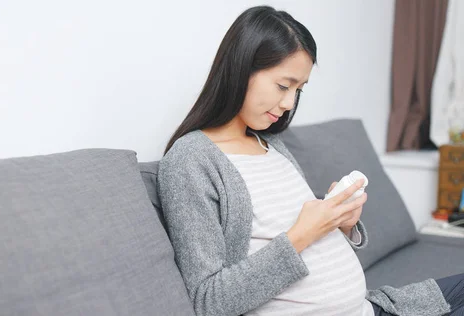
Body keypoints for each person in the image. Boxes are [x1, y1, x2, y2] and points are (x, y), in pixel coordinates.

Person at [157, 5, 464, 316]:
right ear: (241, 68)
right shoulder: (191, 161)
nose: (290, 103)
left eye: (298, 89)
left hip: (371, 307)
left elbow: (298, 233)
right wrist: (303, 233)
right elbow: (209, 301)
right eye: (283, 85)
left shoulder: (271, 144)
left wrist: (341, 222)